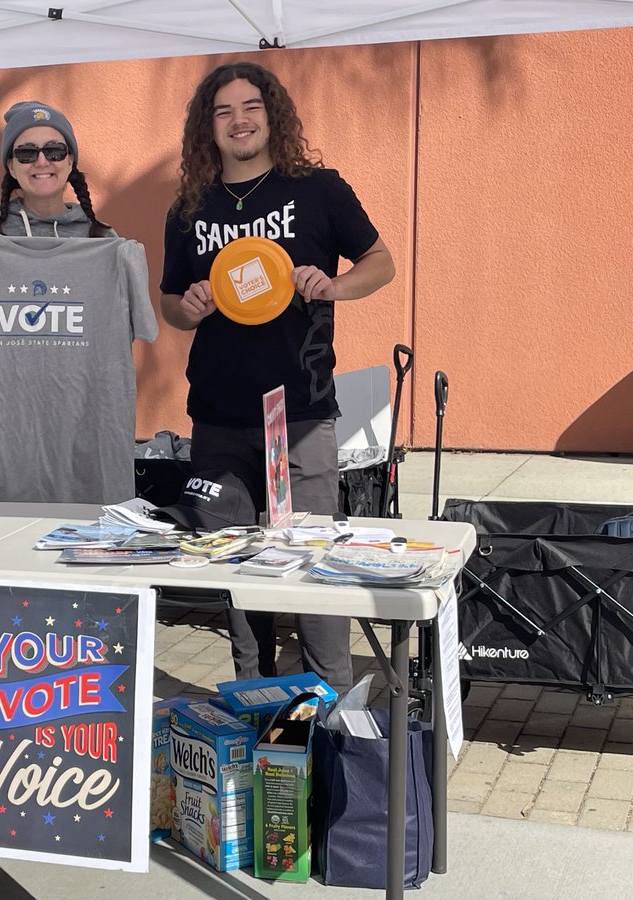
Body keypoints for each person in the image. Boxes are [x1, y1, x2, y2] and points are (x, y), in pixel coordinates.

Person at [159, 61, 396, 693]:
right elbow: (168, 304)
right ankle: (251, 703)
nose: (239, 120)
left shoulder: (319, 190)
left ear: (273, 115)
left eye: (251, 107)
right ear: (206, 128)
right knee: (240, 575)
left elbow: (381, 261)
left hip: (301, 413)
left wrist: (337, 285)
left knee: (314, 572)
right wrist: (186, 308)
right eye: (224, 111)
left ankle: (335, 716)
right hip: (217, 417)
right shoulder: (190, 208)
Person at [0, 100, 114, 237]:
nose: (41, 162)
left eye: (54, 151)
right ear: (11, 167)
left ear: (70, 161)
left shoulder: (101, 237)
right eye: (27, 152)